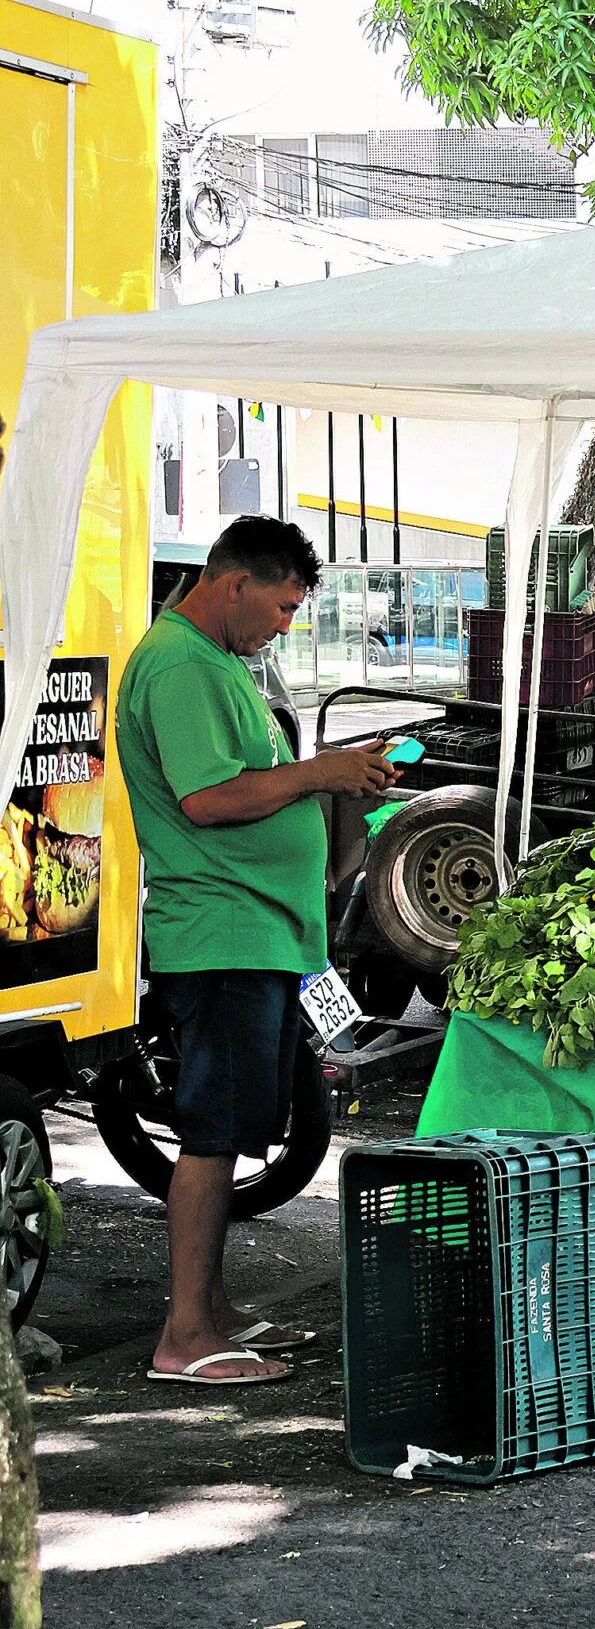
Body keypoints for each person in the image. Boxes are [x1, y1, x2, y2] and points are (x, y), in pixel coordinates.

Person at [117, 515, 403, 1386]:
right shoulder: (177, 664)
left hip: (264, 930)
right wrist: (320, 772)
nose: (285, 624)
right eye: (279, 606)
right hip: (221, 932)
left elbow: (256, 787)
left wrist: (335, 778)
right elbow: (206, 799)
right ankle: (185, 1336)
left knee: (239, 1127)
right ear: (234, 581)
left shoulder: (223, 667)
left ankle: (214, 1310)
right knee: (211, 1134)